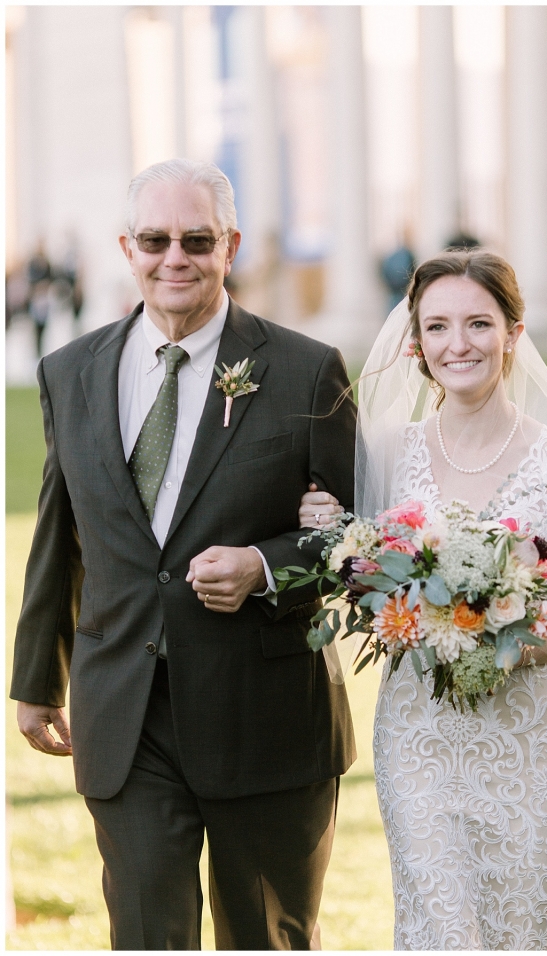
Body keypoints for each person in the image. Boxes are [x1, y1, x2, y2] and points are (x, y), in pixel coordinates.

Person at [10, 158, 357, 951]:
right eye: (156, 240)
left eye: (196, 240)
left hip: (264, 717)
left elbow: (354, 539)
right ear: (125, 247)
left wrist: (265, 566)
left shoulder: (307, 370)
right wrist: (37, 676)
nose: (176, 258)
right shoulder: (70, 372)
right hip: (125, 713)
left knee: (262, 940)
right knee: (143, 935)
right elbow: (60, 533)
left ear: (230, 245)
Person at [299, 249, 547, 950]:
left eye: (477, 323)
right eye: (437, 327)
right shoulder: (381, 451)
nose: (457, 344)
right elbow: (352, 563)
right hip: (419, 738)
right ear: (415, 344)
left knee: (524, 920)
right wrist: (327, 527)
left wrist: (502, 642)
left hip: (525, 735)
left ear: (513, 333)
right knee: (438, 921)